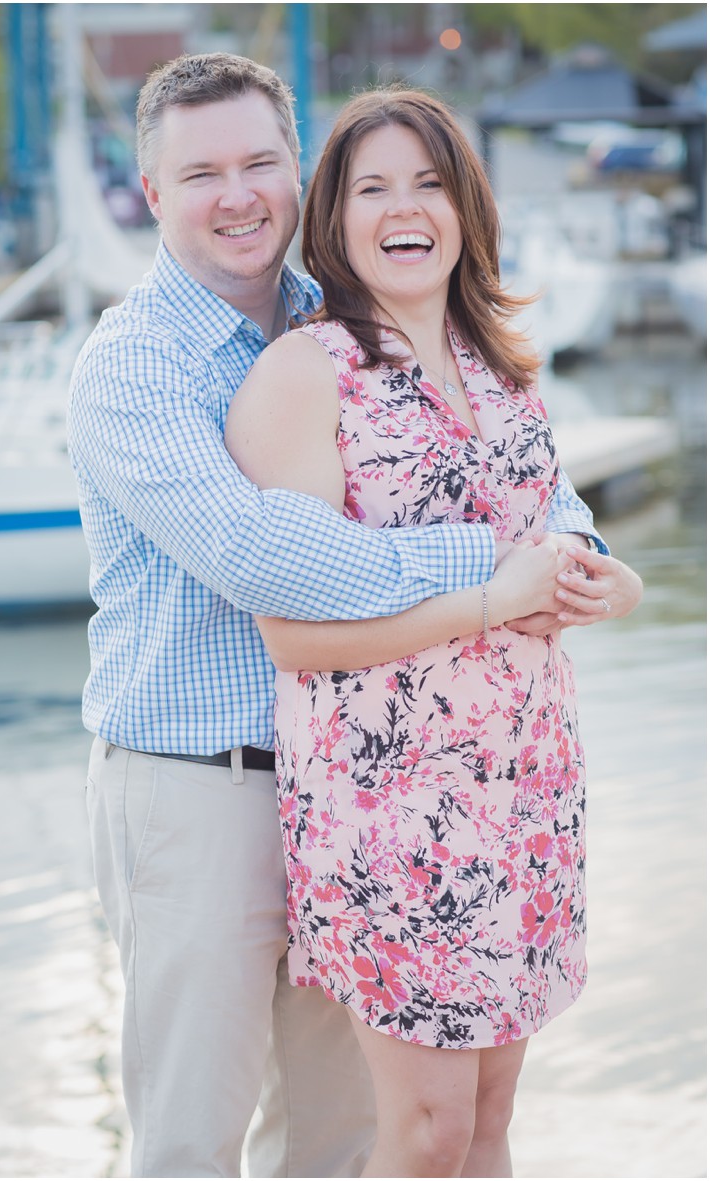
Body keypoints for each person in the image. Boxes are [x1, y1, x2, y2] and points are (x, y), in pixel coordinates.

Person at [66, 54, 639, 1178]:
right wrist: (497, 567)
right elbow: (259, 556)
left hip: (371, 788)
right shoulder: (134, 365)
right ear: (149, 191)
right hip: (198, 785)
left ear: (296, 172)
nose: (237, 194)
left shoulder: (351, 319)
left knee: (337, 1140)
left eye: (259, 162)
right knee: (189, 1136)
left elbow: (538, 494)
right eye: (200, 173)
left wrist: (586, 561)